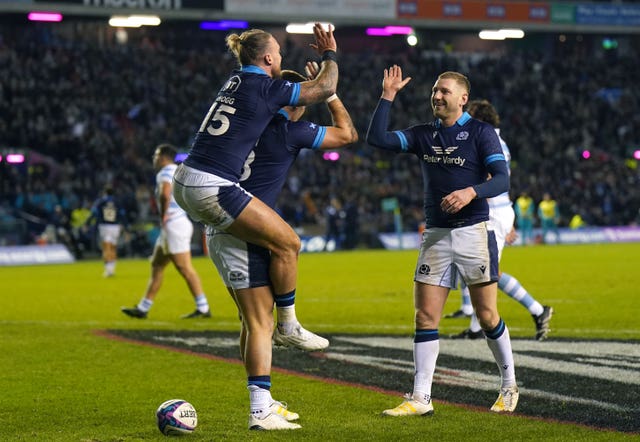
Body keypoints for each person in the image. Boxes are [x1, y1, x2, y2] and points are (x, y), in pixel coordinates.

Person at [171, 26, 339, 430]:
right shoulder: (267, 87)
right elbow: (323, 89)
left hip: (188, 179)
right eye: (278, 53)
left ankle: (263, 397)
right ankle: (290, 325)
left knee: (254, 317)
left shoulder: (234, 81)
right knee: (289, 243)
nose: (280, 60)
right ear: (266, 60)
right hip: (213, 185)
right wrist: (331, 55)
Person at [207, 66, 357, 431]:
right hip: (245, 231)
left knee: (251, 320)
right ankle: (260, 410)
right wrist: (329, 93)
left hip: (224, 224)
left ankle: (264, 400)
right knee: (261, 322)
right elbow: (347, 135)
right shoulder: (289, 130)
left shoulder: (249, 124)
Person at [366, 66, 519, 416]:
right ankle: (421, 398)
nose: (436, 96)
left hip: (474, 232)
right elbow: (378, 139)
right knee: (424, 316)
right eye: (435, 90)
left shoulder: (481, 133)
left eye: (444, 91)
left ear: (462, 99)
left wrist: (470, 192)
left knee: (486, 314)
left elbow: (502, 180)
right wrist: (387, 96)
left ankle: (509, 385)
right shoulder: (423, 134)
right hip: (435, 235)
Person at [447, 99, 553, 341]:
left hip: (491, 214)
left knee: (488, 272)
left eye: (468, 118)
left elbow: (487, 179)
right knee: (476, 270)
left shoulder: (486, 140)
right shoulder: (497, 141)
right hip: (498, 211)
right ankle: (476, 328)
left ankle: (538, 310)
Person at [121, 144, 212, 320]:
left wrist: (163, 215)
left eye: (156, 155)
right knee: (157, 264)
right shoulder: (178, 170)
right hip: (175, 224)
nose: (154, 159)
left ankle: (203, 307)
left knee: (185, 268)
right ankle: (143, 308)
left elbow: (164, 194)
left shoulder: (164, 172)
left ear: (163, 157)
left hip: (173, 224)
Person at [87, 186, 126, 277]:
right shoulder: (117, 202)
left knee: (106, 248)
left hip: (104, 226)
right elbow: (123, 215)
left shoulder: (101, 201)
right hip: (115, 227)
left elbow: (94, 213)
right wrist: (126, 227)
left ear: (105, 193)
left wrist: (87, 223)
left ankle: (108, 270)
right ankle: (112, 269)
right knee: (113, 247)